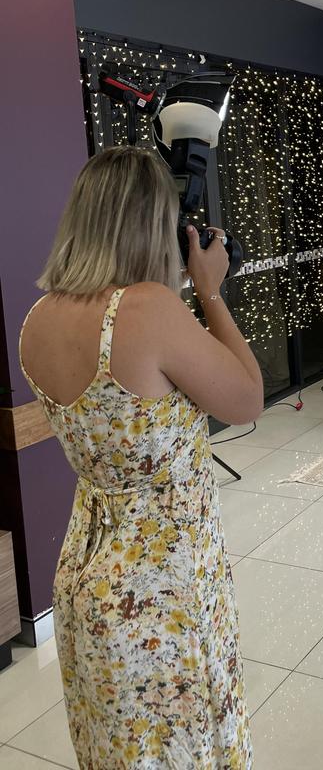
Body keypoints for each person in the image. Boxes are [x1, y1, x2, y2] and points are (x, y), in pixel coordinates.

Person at [19, 146, 263, 768]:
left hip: (87, 568)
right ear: (153, 223)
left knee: (121, 747)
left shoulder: (38, 319)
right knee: (188, 743)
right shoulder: (151, 308)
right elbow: (247, 399)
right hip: (163, 581)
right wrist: (208, 292)